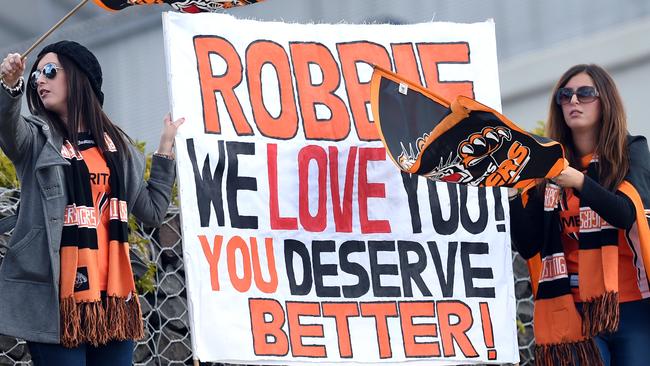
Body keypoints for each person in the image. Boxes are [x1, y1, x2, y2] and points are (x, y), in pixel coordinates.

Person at [0, 40, 184, 365]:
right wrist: (10, 85)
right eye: (36, 76)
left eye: (50, 71)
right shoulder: (36, 139)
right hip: (57, 302)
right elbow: (8, 127)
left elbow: (153, 211)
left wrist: (166, 145)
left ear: (78, 75)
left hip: (112, 302)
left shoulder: (120, 151)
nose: (40, 79)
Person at [509, 64, 650, 365]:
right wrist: (511, 192)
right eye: (566, 95)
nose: (574, 101)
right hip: (572, 311)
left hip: (632, 308)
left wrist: (580, 183)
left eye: (585, 94)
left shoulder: (631, 152)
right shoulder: (546, 165)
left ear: (606, 101)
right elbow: (528, 244)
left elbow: (626, 214)